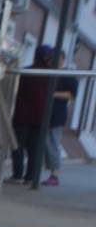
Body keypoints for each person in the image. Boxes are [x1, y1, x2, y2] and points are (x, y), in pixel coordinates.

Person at [10, 45, 53, 184]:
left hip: (22, 115)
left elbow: (16, 91)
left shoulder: (26, 72)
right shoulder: (51, 76)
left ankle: (17, 174)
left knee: (18, 145)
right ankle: (30, 177)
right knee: (34, 148)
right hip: (40, 117)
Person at [43, 50, 77, 186]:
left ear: (62, 59)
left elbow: (71, 95)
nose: (51, 61)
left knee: (52, 144)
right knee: (45, 144)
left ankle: (54, 174)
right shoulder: (47, 73)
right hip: (43, 114)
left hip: (57, 116)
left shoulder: (68, 75)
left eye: (54, 58)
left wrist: (53, 94)